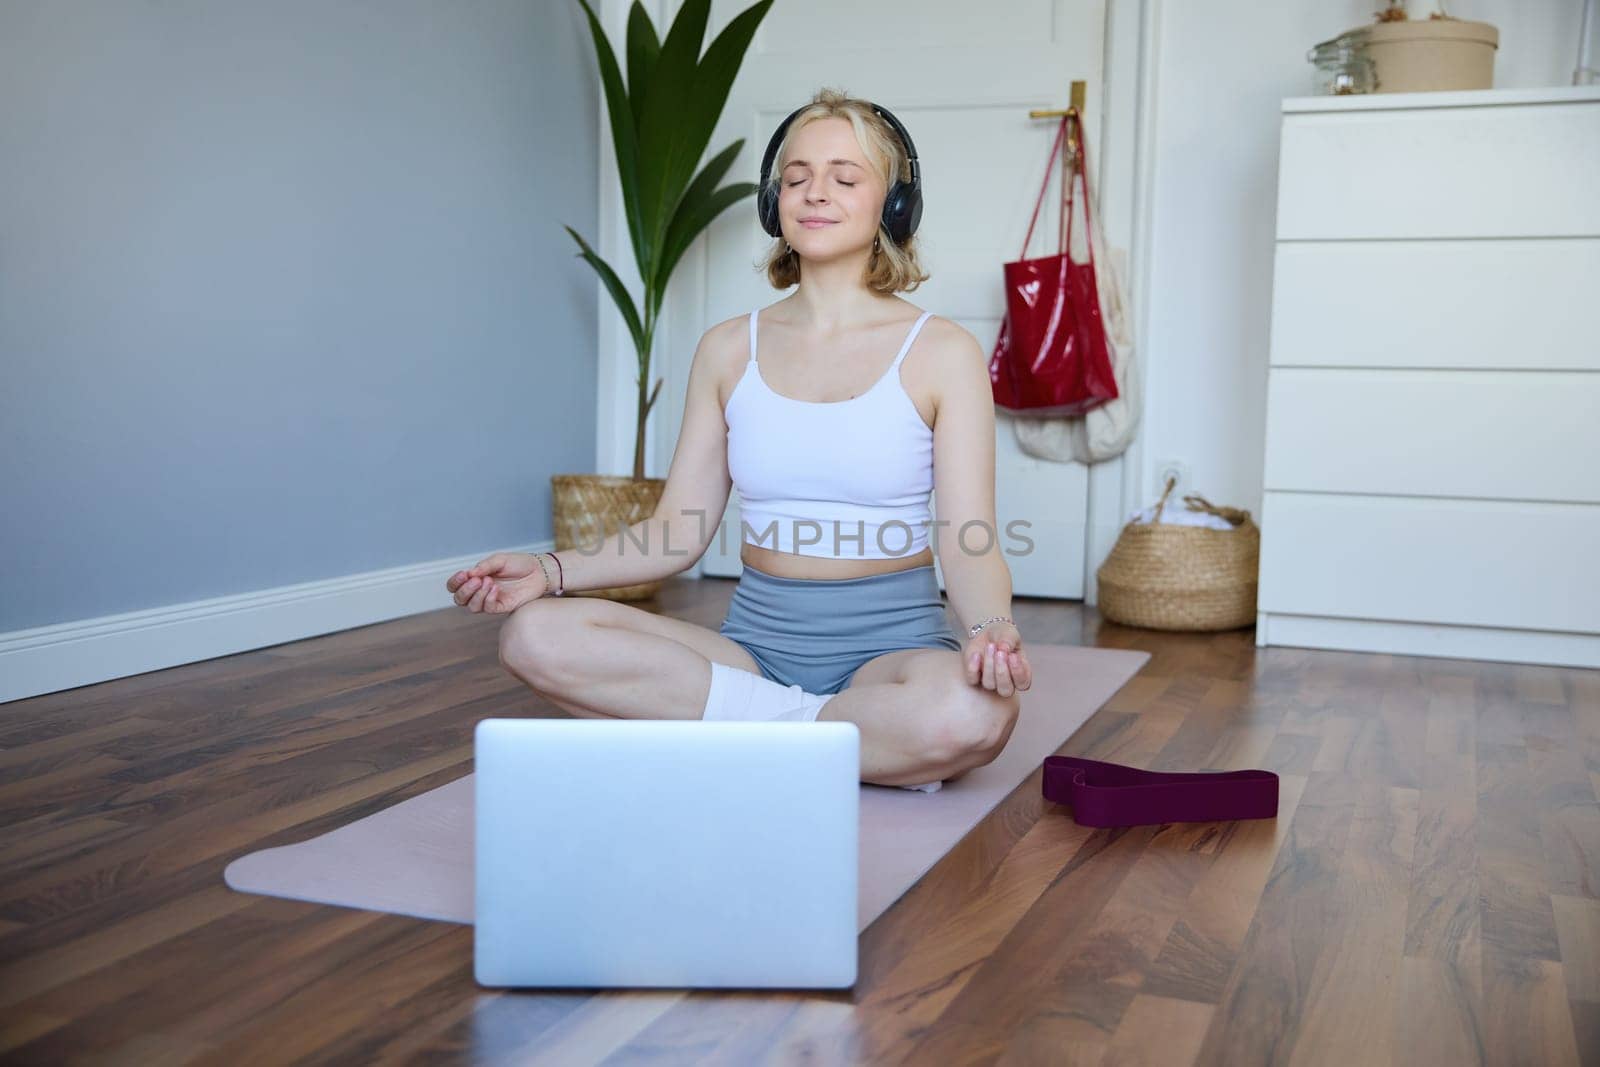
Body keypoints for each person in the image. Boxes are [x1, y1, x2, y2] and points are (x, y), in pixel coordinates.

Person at [445, 87, 1032, 791]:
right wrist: (549, 573)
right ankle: (828, 737)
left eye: (845, 178)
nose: (815, 193)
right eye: (795, 177)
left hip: (893, 653)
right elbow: (676, 531)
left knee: (973, 713)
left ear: (894, 206)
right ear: (772, 201)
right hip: (751, 651)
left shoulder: (942, 351)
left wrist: (990, 627)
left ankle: (748, 731)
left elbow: (970, 535)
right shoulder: (728, 349)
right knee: (533, 635)